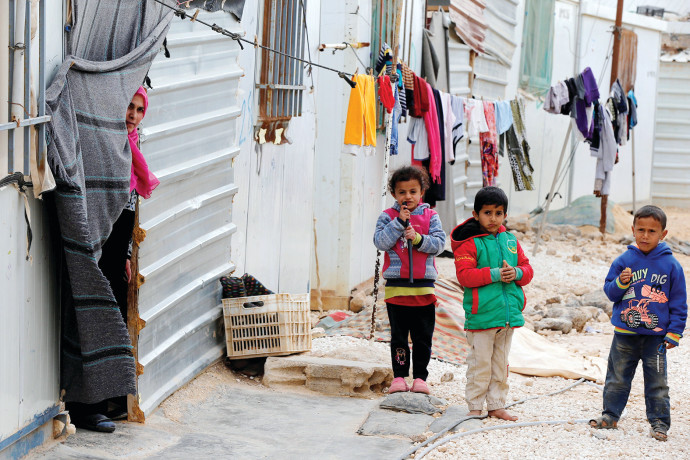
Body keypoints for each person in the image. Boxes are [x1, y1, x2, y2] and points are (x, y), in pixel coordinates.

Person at [70, 86, 159, 432]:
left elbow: (131, 203)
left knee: (114, 316)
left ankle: (107, 401)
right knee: (92, 316)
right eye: (129, 107)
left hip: (117, 240)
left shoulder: (137, 144)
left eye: (139, 110)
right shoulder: (106, 141)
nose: (132, 115)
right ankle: (85, 405)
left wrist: (125, 252)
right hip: (96, 234)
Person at [590, 205, 687, 441]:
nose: (645, 235)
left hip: (656, 338)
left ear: (663, 234)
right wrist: (621, 283)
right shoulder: (624, 261)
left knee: (657, 382)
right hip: (625, 333)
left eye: (652, 231)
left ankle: (660, 423)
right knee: (617, 377)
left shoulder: (671, 265)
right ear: (633, 230)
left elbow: (679, 302)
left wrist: (675, 331)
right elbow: (610, 293)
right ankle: (610, 415)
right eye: (641, 230)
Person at [450, 186, 533, 420]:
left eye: (499, 213)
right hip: (482, 316)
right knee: (480, 365)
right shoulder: (469, 243)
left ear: (505, 214)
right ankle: (474, 407)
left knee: (500, 365)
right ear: (476, 214)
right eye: (487, 213)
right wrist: (496, 274)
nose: (493, 218)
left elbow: (527, 270)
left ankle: (496, 405)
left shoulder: (510, 241)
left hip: (507, 317)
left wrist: (516, 272)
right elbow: (465, 276)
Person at [373, 165, 446, 395]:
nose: (408, 197)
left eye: (413, 191)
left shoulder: (431, 216)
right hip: (397, 290)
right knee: (398, 338)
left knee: (423, 338)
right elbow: (380, 242)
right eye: (402, 192)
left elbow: (438, 245)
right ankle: (399, 377)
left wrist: (417, 238)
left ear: (422, 191)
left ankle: (420, 378)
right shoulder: (387, 217)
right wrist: (398, 224)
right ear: (394, 194)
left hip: (424, 290)